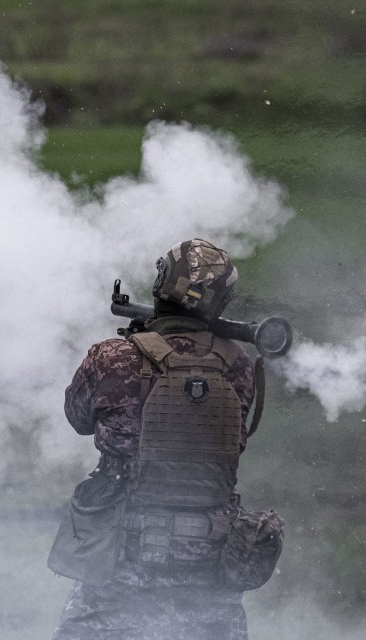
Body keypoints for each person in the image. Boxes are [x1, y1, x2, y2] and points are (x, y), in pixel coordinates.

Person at [49, 239, 282, 640]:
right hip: (209, 558)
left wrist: (137, 344)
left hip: (123, 555)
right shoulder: (239, 366)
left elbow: (78, 417)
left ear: (162, 284)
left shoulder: (112, 357)